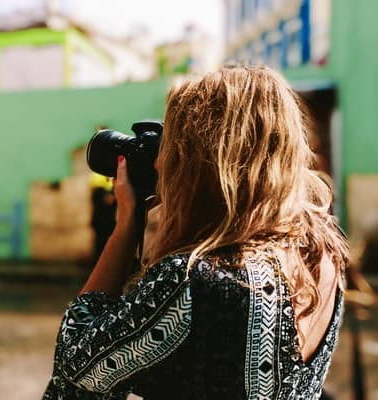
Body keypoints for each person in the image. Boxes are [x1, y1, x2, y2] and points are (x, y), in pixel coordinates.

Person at [42, 65, 349, 399]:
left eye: (173, 147)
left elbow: (74, 371)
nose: (159, 163)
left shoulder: (192, 282)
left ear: (205, 160)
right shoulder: (321, 253)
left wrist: (127, 223)